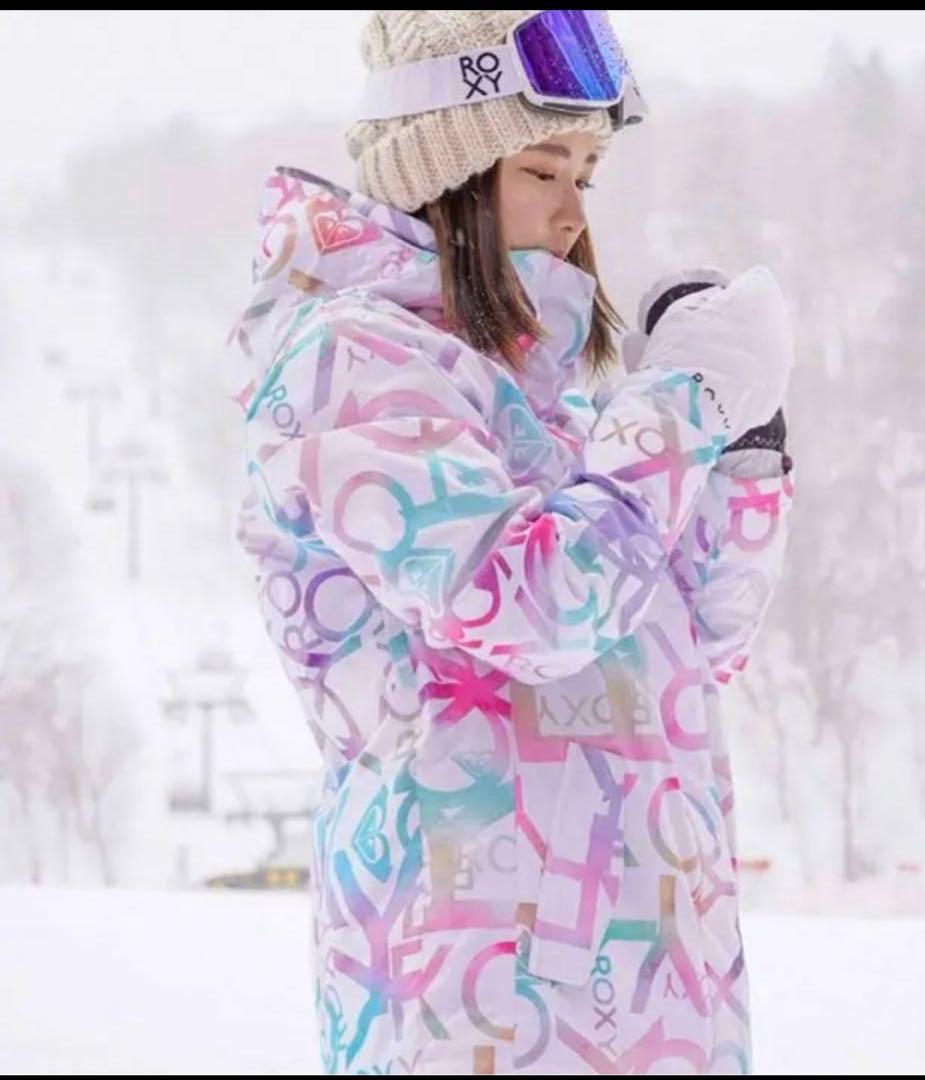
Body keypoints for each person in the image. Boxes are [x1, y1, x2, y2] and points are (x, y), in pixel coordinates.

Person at [225, 10, 796, 1074]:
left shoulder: (552, 411)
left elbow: (695, 647)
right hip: (473, 998)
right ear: (445, 171)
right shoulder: (353, 366)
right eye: (543, 169)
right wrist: (680, 405)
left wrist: (741, 449)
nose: (574, 212)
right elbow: (532, 607)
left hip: (655, 989)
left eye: (588, 174)